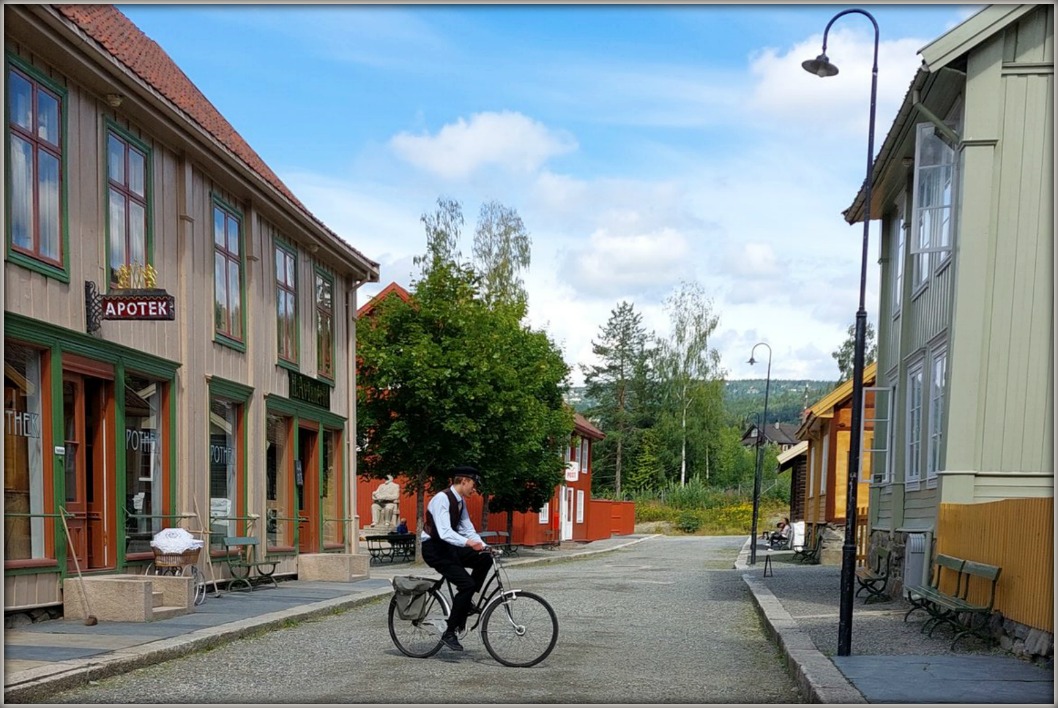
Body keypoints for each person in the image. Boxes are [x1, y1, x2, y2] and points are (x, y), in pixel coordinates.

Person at [420, 465, 492, 652]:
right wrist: (469, 543)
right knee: (466, 584)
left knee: (485, 558)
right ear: (464, 481)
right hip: (434, 549)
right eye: (473, 485)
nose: (474, 489)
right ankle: (449, 633)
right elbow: (444, 532)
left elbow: (468, 529)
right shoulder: (441, 499)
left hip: (448, 547)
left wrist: (484, 547)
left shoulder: (461, 502)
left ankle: (465, 603)